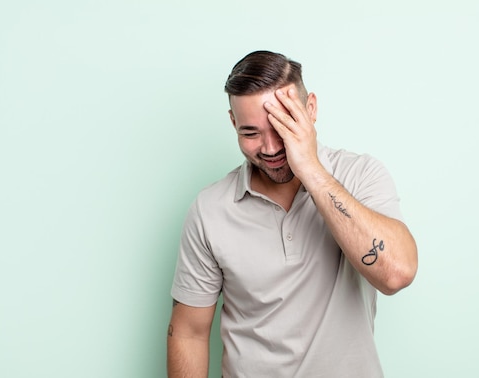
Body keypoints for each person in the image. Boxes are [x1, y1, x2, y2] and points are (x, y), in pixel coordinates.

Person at [167, 50, 418, 378]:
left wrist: (311, 170)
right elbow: (189, 332)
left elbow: (396, 273)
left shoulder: (361, 176)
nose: (270, 148)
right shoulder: (210, 209)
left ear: (310, 109)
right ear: (233, 123)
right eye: (250, 133)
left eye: (281, 127)